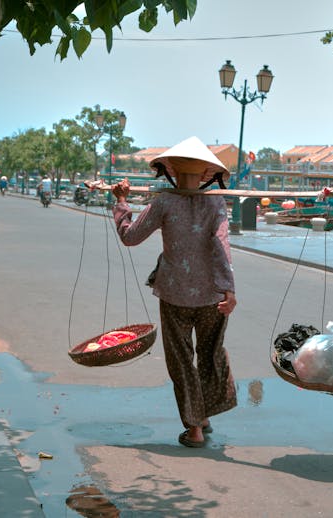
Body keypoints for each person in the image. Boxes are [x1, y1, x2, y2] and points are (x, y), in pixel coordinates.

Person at [111, 136, 237, 448]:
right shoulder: (216, 203)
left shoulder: (163, 202)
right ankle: (203, 415)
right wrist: (228, 290)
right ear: (207, 174)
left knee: (182, 360)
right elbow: (222, 246)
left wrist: (122, 203)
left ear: (172, 171)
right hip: (212, 296)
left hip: (174, 295)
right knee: (210, 354)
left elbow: (130, 237)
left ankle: (195, 427)